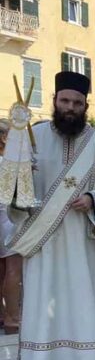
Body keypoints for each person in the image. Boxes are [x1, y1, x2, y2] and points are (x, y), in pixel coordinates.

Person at [10, 71, 95, 360]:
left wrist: (93, 197)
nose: (70, 108)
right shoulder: (32, 137)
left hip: (83, 241)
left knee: (83, 296)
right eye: (65, 101)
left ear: (86, 104)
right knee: (41, 298)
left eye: (77, 102)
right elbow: (13, 195)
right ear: (54, 101)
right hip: (42, 241)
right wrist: (20, 175)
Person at [0, 120, 22, 335]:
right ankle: (13, 318)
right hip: (7, 216)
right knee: (14, 268)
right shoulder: (8, 163)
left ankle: (2, 313)